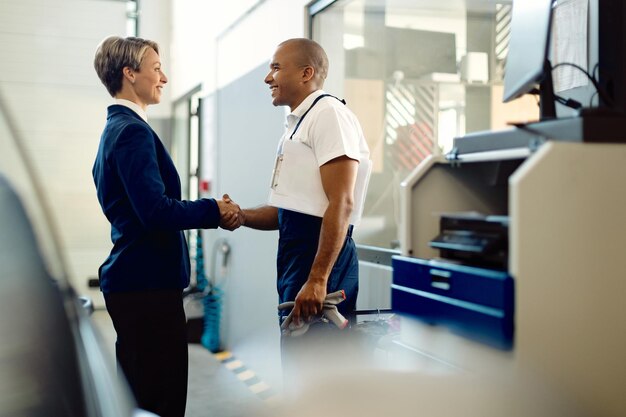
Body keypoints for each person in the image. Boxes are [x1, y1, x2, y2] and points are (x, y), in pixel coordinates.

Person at [92, 35, 242, 417]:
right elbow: (156, 211)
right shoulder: (131, 132)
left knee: (146, 395)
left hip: (139, 285)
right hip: (147, 288)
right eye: (156, 68)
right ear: (130, 73)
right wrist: (214, 210)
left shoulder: (117, 129)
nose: (164, 78)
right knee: (161, 400)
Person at [239, 38, 371, 385]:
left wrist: (317, 279)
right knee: (299, 373)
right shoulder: (296, 125)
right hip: (298, 262)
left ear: (306, 73)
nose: (268, 77)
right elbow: (290, 213)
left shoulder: (329, 115)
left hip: (323, 265)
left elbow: (341, 203)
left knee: (323, 380)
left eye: (276, 67)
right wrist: (240, 215)